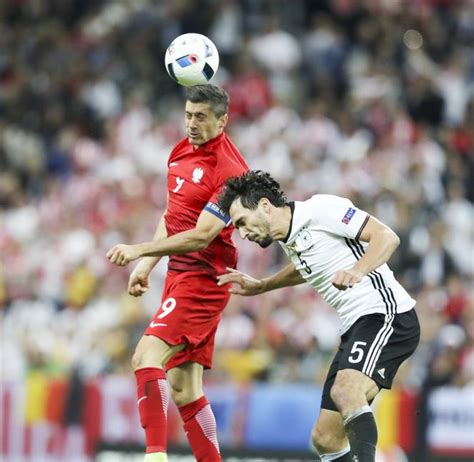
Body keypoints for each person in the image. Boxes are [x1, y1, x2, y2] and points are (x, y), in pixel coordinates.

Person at [216, 170, 420, 462]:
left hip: (386, 314)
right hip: (357, 325)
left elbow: (386, 237)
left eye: (242, 223)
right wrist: (263, 285)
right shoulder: (290, 238)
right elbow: (308, 266)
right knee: (325, 438)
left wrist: (358, 270)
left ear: (263, 205)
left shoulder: (321, 209)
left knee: (348, 391)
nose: (243, 233)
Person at [106, 84, 248, 462]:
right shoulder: (180, 151)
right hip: (178, 274)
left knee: (145, 356)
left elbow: (202, 236)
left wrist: (139, 249)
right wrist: (147, 265)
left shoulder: (232, 172)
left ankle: (154, 457)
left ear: (223, 120)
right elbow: (173, 216)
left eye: (201, 117)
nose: (192, 123)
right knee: (184, 389)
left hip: (203, 277)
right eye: (188, 114)